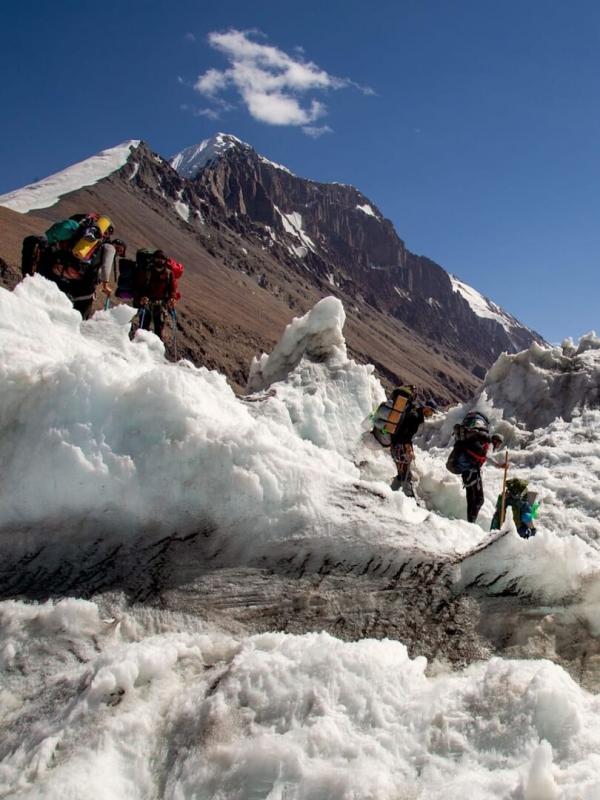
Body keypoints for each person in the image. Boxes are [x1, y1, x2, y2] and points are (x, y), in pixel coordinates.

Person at [452, 428, 504, 523]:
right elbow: (487, 456)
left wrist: (498, 465)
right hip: (473, 473)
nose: (499, 445)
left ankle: (470, 522)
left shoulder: (481, 443)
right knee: (479, 500)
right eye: (499, 443)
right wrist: (499, 465)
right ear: (496, 440)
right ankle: (472, 522)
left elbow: (484, 457)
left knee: (471, 499)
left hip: (466, 472)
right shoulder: (489, 444)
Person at [390, 398, 438, 495]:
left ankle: (391, 492)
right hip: (400, 446)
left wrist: (410, 449)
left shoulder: (413, 412)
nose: (431, 414)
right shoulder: (415, 417)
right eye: (432, 411)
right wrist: (409, 450)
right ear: (427, 408)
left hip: (396, 444)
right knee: (406, 474)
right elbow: (405, 435)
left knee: (401, 473)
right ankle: (409, 498)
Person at [134, 250, 176, 340]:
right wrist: (141, 297)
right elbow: (138, 286)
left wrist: (172, 298)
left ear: (165, 261)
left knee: (159, 329)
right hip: (147, 304)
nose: (160, 261)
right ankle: (141, 349)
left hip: (161, 305)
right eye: (158, 258)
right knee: (143, 329)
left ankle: (155, 351)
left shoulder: (169, 273)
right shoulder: (147, 271)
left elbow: (172, 288)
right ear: (154, 259)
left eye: (162, 259)